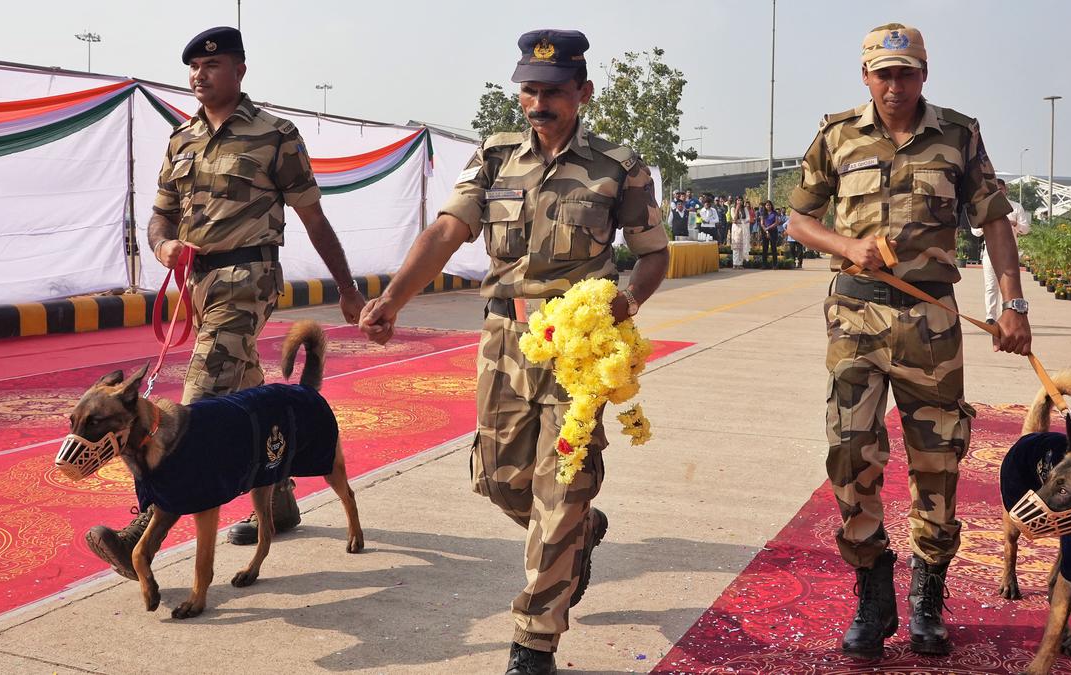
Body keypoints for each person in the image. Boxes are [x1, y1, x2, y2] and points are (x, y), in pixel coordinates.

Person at [357, 29, 669, 675]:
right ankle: (579, 531)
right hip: (505, 338)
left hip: (578, 349)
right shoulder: (496, 156)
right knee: (497, 479)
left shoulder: (618, 165)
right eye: (529, 90)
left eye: (552, 92)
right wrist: (393, 297)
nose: (538, 104)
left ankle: (533, 640)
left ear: (582, 92)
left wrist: (629, 299)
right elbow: (448, 229)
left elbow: (653, 252)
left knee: (562, 486)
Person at [786, 22, 1032, 660]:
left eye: (907, 73)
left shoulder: (958, 133)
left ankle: (927, 594)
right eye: (883, 73)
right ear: (865, 75)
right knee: (848, 454)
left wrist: (1013, 303)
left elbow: (994, 222)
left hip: (931, 326)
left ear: (925, 73)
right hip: (855, 320)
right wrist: (847, 247)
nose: (895, 86)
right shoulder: (836, 134)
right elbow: (799, 217)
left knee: (938, 460)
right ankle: (873, 590)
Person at [83, 26, 366, 579]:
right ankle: (279, 496)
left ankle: (141, 530)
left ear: (239, 69)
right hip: (198, 284)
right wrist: (164, 245)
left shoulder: (275, 135)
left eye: (211, 66)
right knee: (250, 396)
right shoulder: (181, 139)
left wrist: (348, 288)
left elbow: (313, 216)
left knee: (198, 401)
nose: (198, 75)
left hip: (248, 277)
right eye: (192, 67)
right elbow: (160, 215)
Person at [969, 178, 1031, 322]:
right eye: (995, 190)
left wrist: (1014, 223)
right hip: (990, 253)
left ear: (1005, 190)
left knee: (1009, 287)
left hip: (1009, 254)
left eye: (1001, 189)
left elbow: (1026, 229)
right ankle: (990, 316)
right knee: (991, 286)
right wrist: (985, 225)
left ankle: (1007, 314)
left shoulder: (1015, 207)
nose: (999, 192)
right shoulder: (986, 208)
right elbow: (975, 232)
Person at [729, 196, 751, 268]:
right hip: (736, 229)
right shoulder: (733, 208)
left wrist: (741, 221)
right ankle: (735, 263)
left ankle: (740, 263)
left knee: (742, 247)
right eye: (738, 200)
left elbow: (748, 218)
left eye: (741, 200)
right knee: (736, 247)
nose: (739, 201)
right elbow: (734, 219)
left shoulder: (745, 209)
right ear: (736, 201)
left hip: (743, 230)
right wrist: (737, 209)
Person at [758, 200, 780, 268]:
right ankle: (764, 264)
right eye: (767, 205)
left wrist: (768, 228)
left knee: (773, 248)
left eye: (769, 205)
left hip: (773, 231)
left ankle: (775, 264)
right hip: (765, 231)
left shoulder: (774, 213)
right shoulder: (763, 213)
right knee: (765, 248)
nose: (768, 206)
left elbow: (776, 222)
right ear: (765, 206)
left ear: (771, 206)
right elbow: (762, 223)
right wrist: (765, 229)